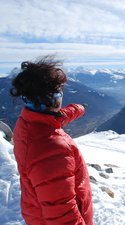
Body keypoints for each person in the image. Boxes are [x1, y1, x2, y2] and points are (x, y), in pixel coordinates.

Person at [10, 56, 94, 225]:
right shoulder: (53, 151)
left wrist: (79, 109)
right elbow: (63, 219)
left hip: (37, 213)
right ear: (54, 99)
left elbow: (56, 117)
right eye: (59, 92)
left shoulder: (28, 122)